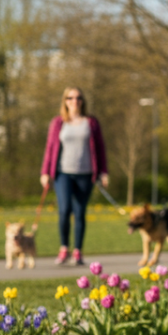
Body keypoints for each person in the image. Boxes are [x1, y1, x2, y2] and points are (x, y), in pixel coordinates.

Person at [40, 86, 109, 266]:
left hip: (85, 174)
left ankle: (77, 251)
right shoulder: (58, 122)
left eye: (78, 98)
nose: (74, 101)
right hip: (63, 173)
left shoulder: (91, 122)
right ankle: (64, 248)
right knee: (64, 211)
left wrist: (103, 172)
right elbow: (50, 148)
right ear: (65, 101)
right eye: (70, 98)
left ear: (82, 101)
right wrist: (45, 172)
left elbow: (100, 149)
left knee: (80, 213)